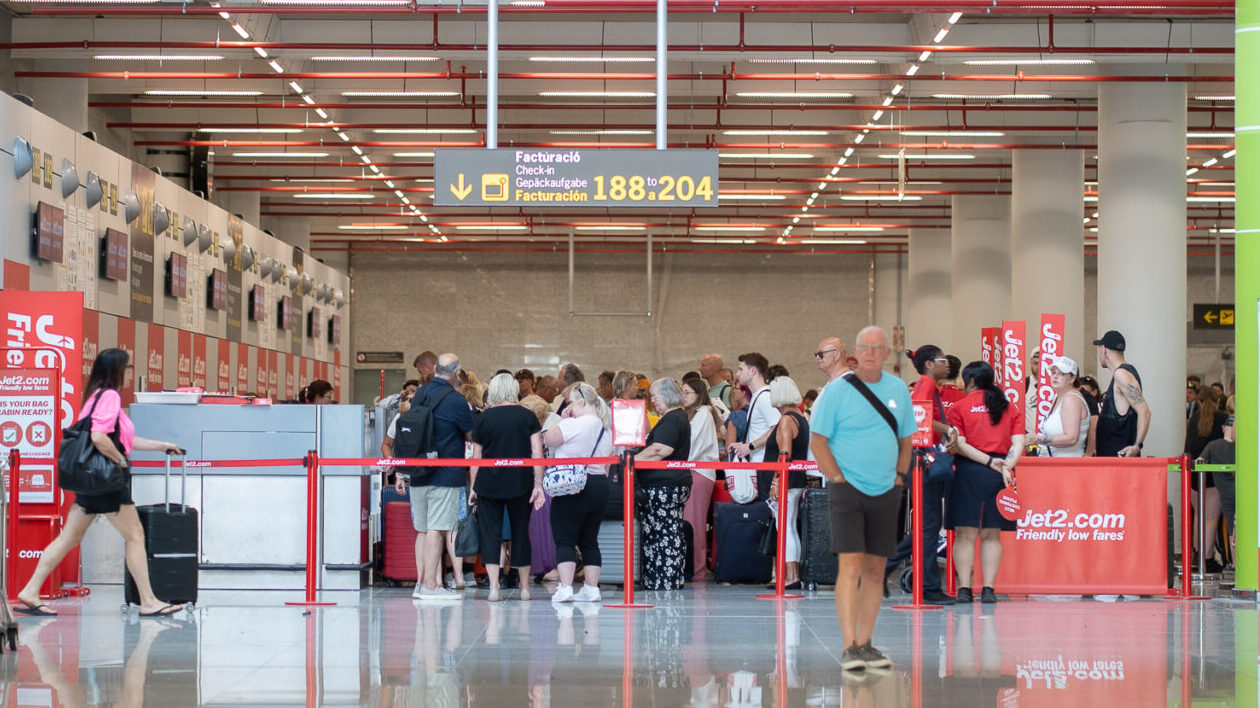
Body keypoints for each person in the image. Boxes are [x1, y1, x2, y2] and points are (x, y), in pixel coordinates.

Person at [16, 348, 186, 617]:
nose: (131, 373)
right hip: (108, 483)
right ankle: (149, 601)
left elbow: (123, 440)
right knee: (135, 535)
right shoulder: (110, 396)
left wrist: (162, 445)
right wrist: (119, 462)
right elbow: (98, 437)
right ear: (117, 370)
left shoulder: (95, 397)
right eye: (128, 368)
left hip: (91, 483)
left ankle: (30, 590)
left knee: (69, 537)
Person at [810, 326, 913, 672]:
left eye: (877, 347)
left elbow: (906, 441)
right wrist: (837, 478)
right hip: (847, 489)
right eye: (864, 346)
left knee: (875, 568)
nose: (870, 352)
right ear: (855, 352)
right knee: (850, 564)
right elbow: (818, 440)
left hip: (886, 489)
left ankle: (866, 644)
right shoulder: (837, 392)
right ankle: (848, 645)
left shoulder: (899, 389)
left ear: (886, 352)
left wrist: (898, 478)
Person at [396, 353, 475, 601]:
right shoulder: (456, 400)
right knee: (437, 529)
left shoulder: (420, 394)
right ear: (455, 372)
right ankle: (431, 585)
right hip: (445, 473)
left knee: (422, 529)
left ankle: (420, 583)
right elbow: (471, 434)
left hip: (418, 471)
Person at [945, 361, 1023, 605]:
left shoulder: (959, 407)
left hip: (967, 472)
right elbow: (1018, 443)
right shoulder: (1009, 407)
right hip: (1000, 475)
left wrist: (988, 462)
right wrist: (1005, 466)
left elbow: (961, 444)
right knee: (992, 534)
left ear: (969, 382)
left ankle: (965, 590)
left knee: (965, 534)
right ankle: (988, 589)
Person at [886, 344, 956, 605]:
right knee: (928, 526)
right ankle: (928, 585)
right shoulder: (926, 384)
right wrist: (948, 429)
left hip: (921, 461)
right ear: (929, 364)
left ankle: (881, 568)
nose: (947, 363)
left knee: (926, 526)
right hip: (924, 462)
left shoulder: (928, 385)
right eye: (943, 359)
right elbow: (919, 419)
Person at [470, 373, 546, 602]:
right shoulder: (528, 416)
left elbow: (477, 457)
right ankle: (524, 588)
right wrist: (538, 484)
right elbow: (537, 453)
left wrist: (473, 487)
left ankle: (494, 588)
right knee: (521, 533)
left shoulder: (483, 418)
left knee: (490, 534)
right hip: (520, 481)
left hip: (489, 482)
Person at [545, 382, 614, 603]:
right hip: (599, 485)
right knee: (590, 539)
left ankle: (565, 588)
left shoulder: (575, 424)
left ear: (582, 401)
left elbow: (548, 439)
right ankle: (591, 589)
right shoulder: (607, 428)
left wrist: (563, 419)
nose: (569, 407)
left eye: (571, 403)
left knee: (565, 538)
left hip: (572, 485)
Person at [634, 377, 694, 590]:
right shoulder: (678, 417)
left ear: (667, 396)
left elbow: (661, 449)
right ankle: (667, 577)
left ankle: (663, 578)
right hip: (673, 484)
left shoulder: (672, 418)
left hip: (664, 486)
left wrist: (632, 461)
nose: (653, 402)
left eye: (655, 397)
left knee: (663, 532)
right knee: (669, 529)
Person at [759, 376, 811, 590]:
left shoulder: (786, 421)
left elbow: (784, 454)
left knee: (786, 528)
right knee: (789, 526)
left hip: (786, 482)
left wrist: (775, 482)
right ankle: (793, 574)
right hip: (796, 481)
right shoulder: (801, 418)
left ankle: (791, 576)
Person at [681, 376, 721, 580]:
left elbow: (693, 444)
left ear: (699, 394)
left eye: (687, 393)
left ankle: (697, 571)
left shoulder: (703, 413)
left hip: (699, 472)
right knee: (690, 521)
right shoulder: (697, 413)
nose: (684, 396)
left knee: (694, 523)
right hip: (695, 471)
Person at [1184, 385, 1228, 571]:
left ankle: (1197, 555)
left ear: (1199, 402)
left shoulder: (1194, 418)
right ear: (1218, 401)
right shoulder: (1223, 419)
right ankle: (1207, 558)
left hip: (1193, 474)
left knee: (1198, 517)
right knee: (1210, 519)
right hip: (1213, 475)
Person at [1093, 330, 1150, 457]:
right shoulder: (1124, 373)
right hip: (1113, 458)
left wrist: (1137, 445)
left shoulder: (1121, 375)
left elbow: (1144, 411)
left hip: (1118, 461)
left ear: (1103, 349)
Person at [1028, 356, 1090, 457]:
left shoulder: (1071, 400)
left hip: (1066, 465)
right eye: (1053, 372)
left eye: (1061, 374)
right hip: (1054, 464)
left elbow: (1071, 438)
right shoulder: (1058, 396)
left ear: (1073, 378)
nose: (1055, 376)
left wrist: (1039, 439)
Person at [727, 353, 780, 465]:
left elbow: (777, 428)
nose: (737, 374)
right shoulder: (758, 396)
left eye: (741, 369)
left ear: (753, 371)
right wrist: (744, 445)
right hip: (758, 461)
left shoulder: (764, 397)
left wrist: (750, 446)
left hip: (765, 463)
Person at [1199, 414, 1235, 565]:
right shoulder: (1242, 446)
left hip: (1225, 493)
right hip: (1242, 490)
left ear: (1223, 428)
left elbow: (1200, 461)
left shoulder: (1213, 445)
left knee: (1233, 529)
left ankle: (1236, 564)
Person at [1077, 375, 1102, 457]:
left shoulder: (1099, 407)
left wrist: (1089, 452)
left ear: (1095, 392)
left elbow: (1093, 427)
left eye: (1085, 393)